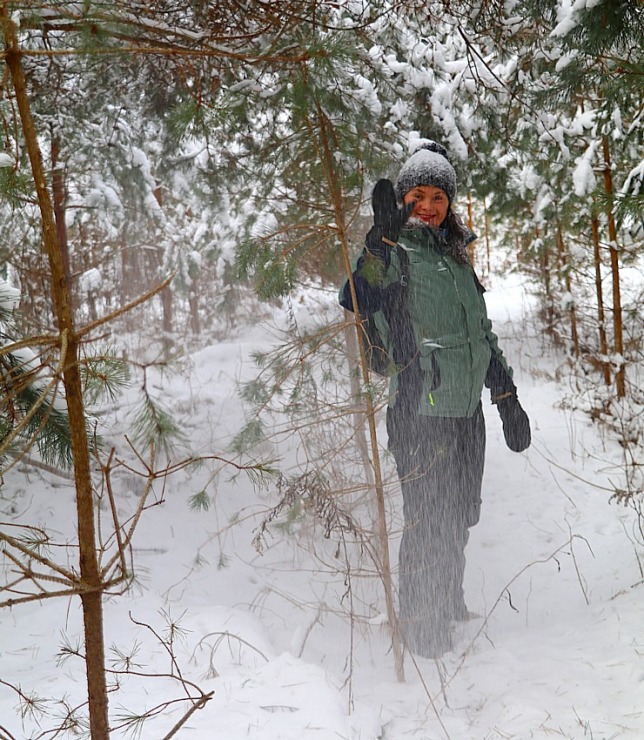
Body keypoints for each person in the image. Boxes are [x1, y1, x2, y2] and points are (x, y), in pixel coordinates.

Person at [340, 141, 531, 658]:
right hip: (419, 414)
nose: (428, 206)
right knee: (429, 521)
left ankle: (447, 602)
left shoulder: (455, 253)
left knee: (461, 514)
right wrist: (379, 243)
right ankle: (422, 630)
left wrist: (506, 392)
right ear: (402, 199)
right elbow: (357, 295)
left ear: (450, 202)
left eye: (438, 196)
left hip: (465, 413)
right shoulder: (396, 253)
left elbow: (480, 334)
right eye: (417, 195)